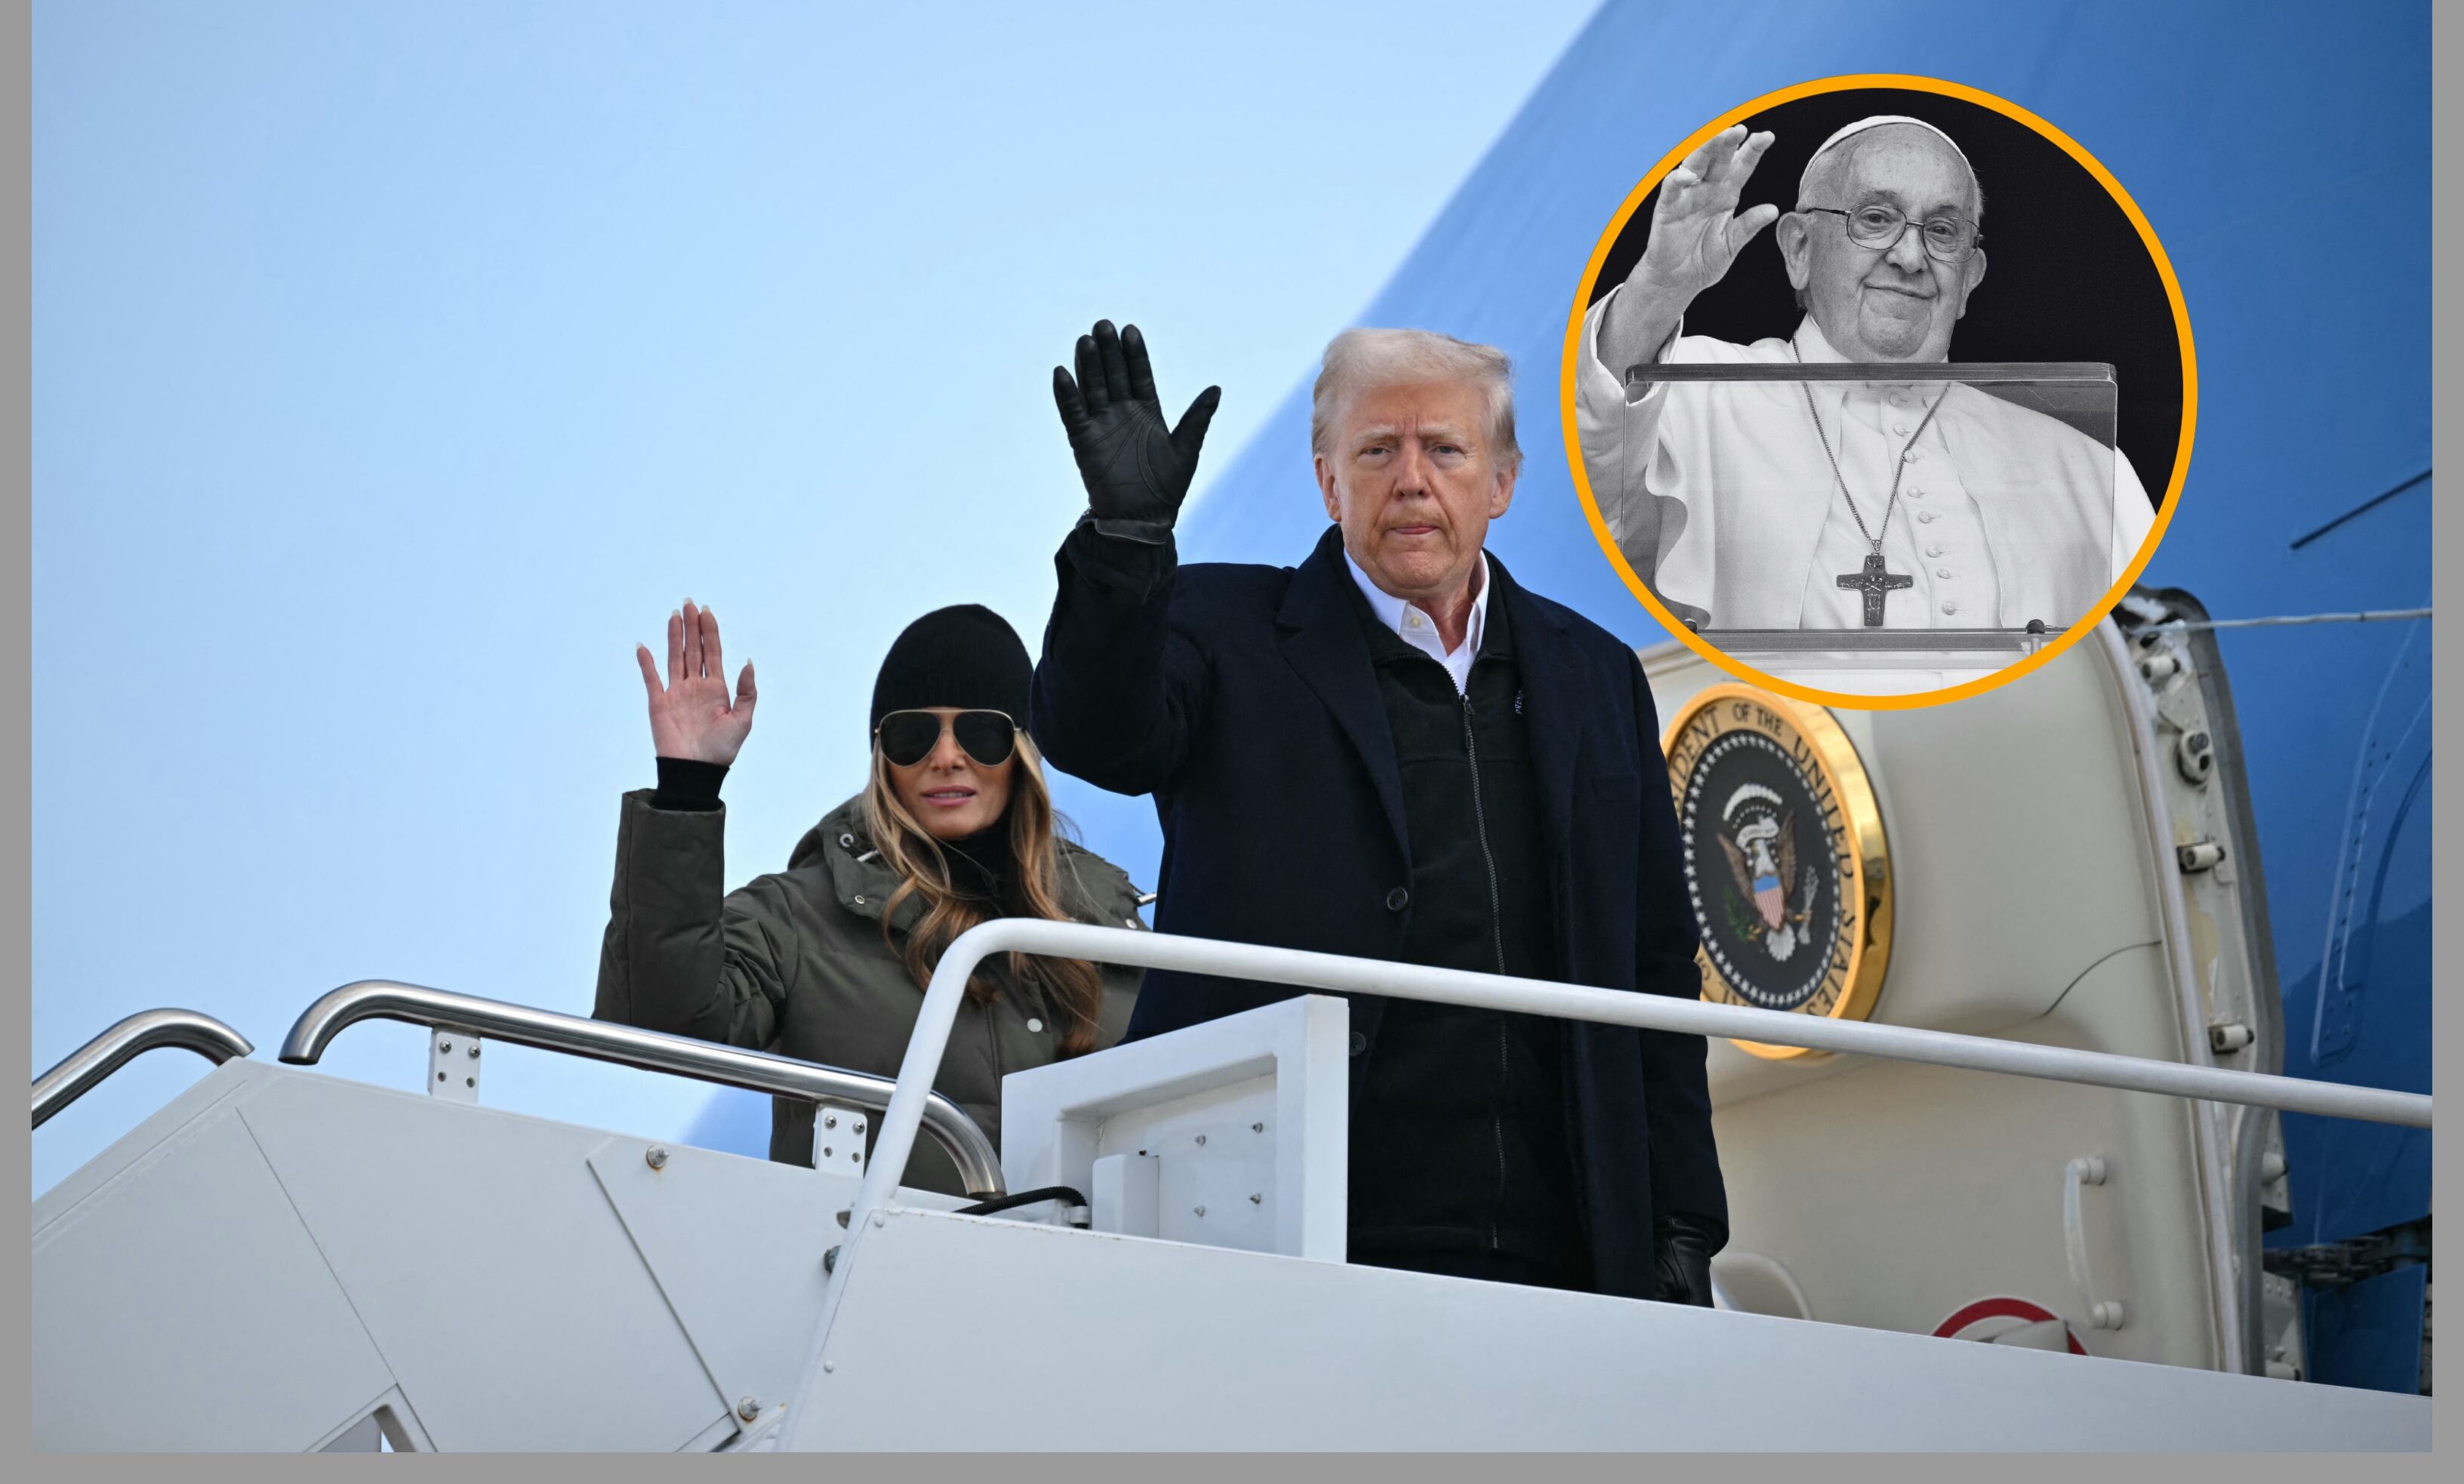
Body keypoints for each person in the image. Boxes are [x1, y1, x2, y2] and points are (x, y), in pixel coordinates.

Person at [1031, 319, 1725, 1304]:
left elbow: (1655, 963)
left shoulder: (1597, 676)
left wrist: (1683, 1221)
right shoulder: (1220, 629)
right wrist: (1125, 545)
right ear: (1328, 483)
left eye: (1444, 449)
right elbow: (1095, 735)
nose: (1411, 480)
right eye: (1375, 451)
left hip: (1561, 1249)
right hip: (1287, 1236)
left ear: (1502, 482)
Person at [593, 598, 1147, 1193]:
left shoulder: (1111, 924)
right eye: (913, 735)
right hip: (876, 1252)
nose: (946, 757)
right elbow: (658, 1023)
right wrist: (688, 788)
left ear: (1023, 751)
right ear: (882, 756)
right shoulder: (798, 917)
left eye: (981, 731)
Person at [1574, 115, 2157, 645]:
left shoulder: (2085, 468)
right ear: (1799, 248)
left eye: (1943, 231)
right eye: (1875, 219)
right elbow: (1601, 469)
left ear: (1970, 279)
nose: (1910, 257)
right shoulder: (1696, 392)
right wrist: (1658, 289)